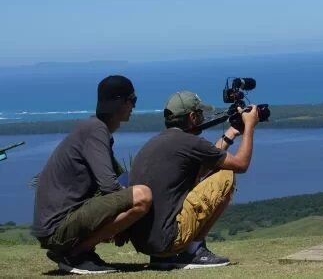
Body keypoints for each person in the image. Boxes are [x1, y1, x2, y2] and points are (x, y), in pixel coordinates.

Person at [32, 75, 153, 274]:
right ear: (119, 103)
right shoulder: (95, 131)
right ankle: (76, 254)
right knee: (142, 195)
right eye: (132, 100)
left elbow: (115, 180)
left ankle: (78, 253)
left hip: (58, 225)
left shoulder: (93, 128)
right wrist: (125, 220)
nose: (133, 106)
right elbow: (109, 186)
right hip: (58, 229)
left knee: (132, 189)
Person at [128, 91, 259, 269]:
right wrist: (249, 126)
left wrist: (231, 134)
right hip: (169, 240)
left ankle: (165, 257)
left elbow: (207, 161)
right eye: (200, 114)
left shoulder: (156, 143)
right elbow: (241, 164)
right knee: (226, 174)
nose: (203, 118)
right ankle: (193, 251)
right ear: (192, 117)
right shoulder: (189, 142)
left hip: (146, 244)